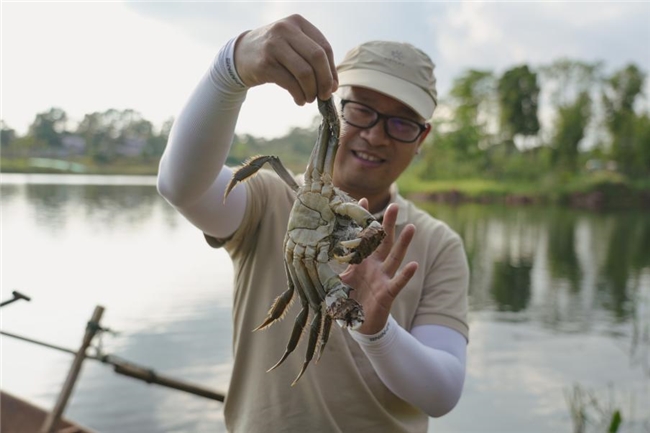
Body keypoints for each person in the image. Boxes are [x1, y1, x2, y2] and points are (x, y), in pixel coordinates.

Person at [158, 14, 469, 433]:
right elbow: (180, 186)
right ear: (336, 107)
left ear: (421, 138)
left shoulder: (435, 243)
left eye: (401, 122)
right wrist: (230, 67)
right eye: (362, 110)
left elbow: (442, 393)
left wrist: (376, 331)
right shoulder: (268, 200)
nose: (376, 136)